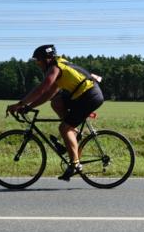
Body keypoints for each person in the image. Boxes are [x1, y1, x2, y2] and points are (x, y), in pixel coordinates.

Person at [7, 45, 104, 180]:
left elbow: (42, 88)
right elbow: (47, 95)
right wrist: (29, 107)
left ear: (47, 59)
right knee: (56, 102)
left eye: (38, 60)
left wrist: (20, 104)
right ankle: (74, 133)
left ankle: (75, 164)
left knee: (64, 128)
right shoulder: (59, 68)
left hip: (90, 96)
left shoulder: (55, 68)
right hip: (83, 95)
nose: (37, 64)